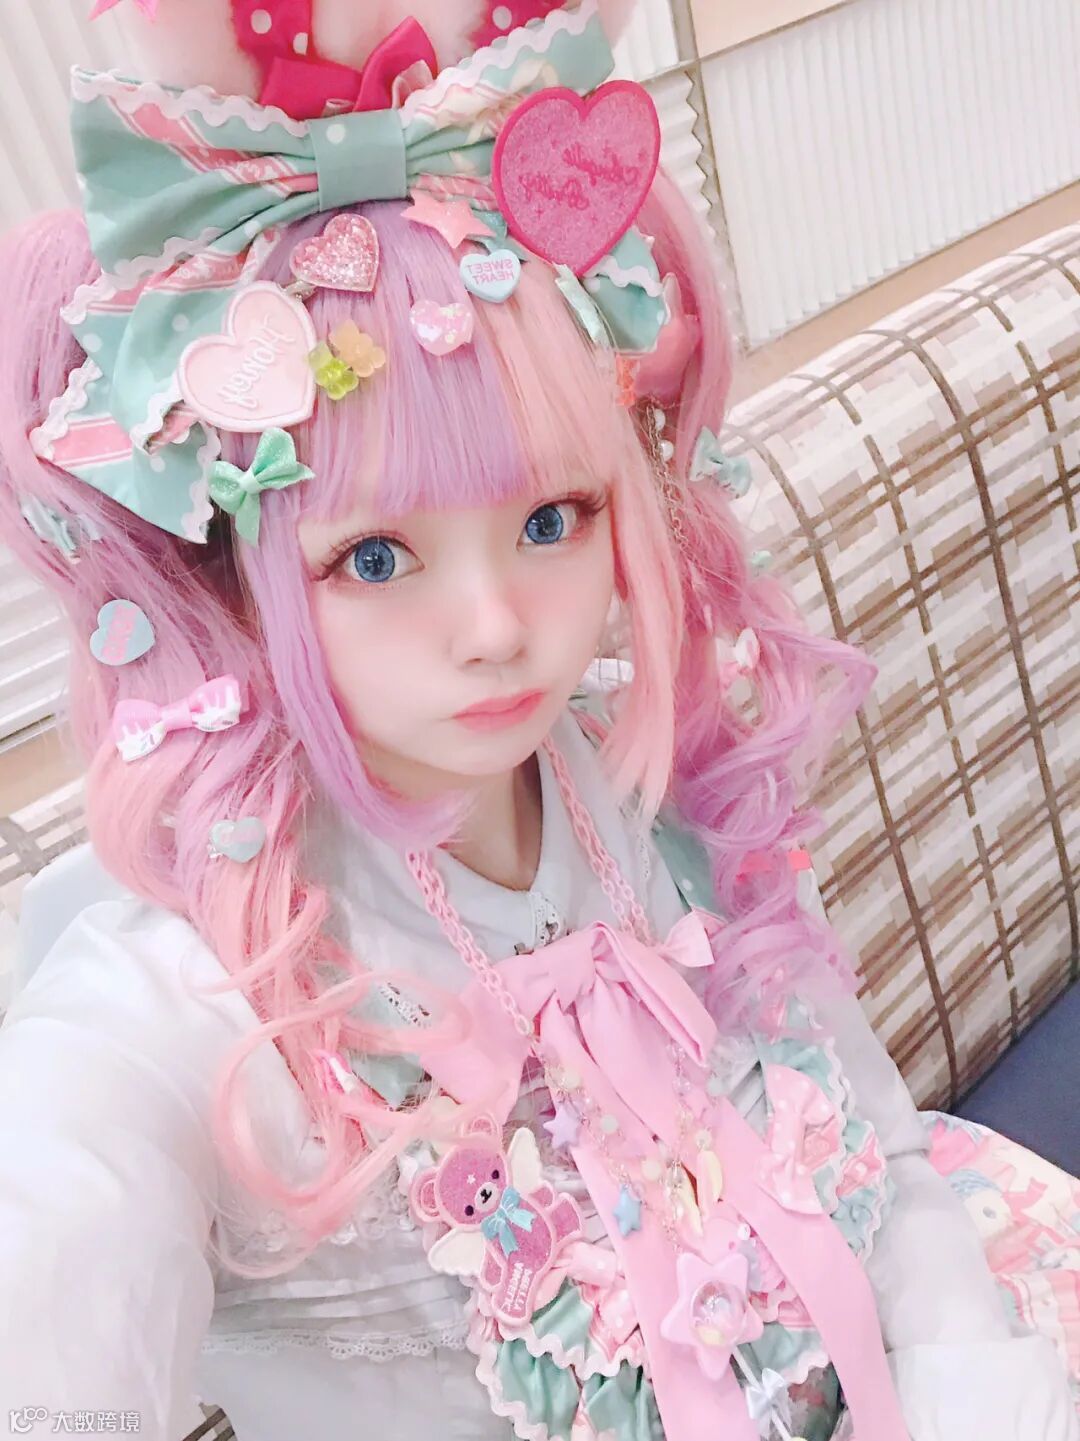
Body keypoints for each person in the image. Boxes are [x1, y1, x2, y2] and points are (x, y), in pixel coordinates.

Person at [0, 2, 1076, 1439]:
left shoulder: (646, 781)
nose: (498, 626)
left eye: (553, 518)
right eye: (373, 556)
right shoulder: (203, 984)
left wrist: (970, 1379)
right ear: (236, 575)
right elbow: (59, 1228)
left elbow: (868, 1134)